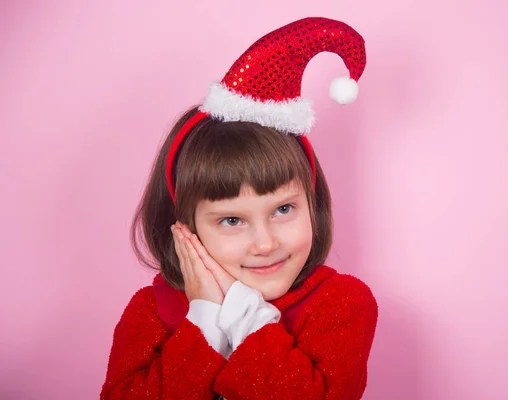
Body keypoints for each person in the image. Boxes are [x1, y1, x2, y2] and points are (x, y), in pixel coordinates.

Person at [101, 16, 378, 400]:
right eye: (232, 220)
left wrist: (244, 316)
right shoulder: (152, 310)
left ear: (312, 204)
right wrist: (205, 320)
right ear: (185, 228)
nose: (265, 243)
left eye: (283, 210)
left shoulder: (341, 304)